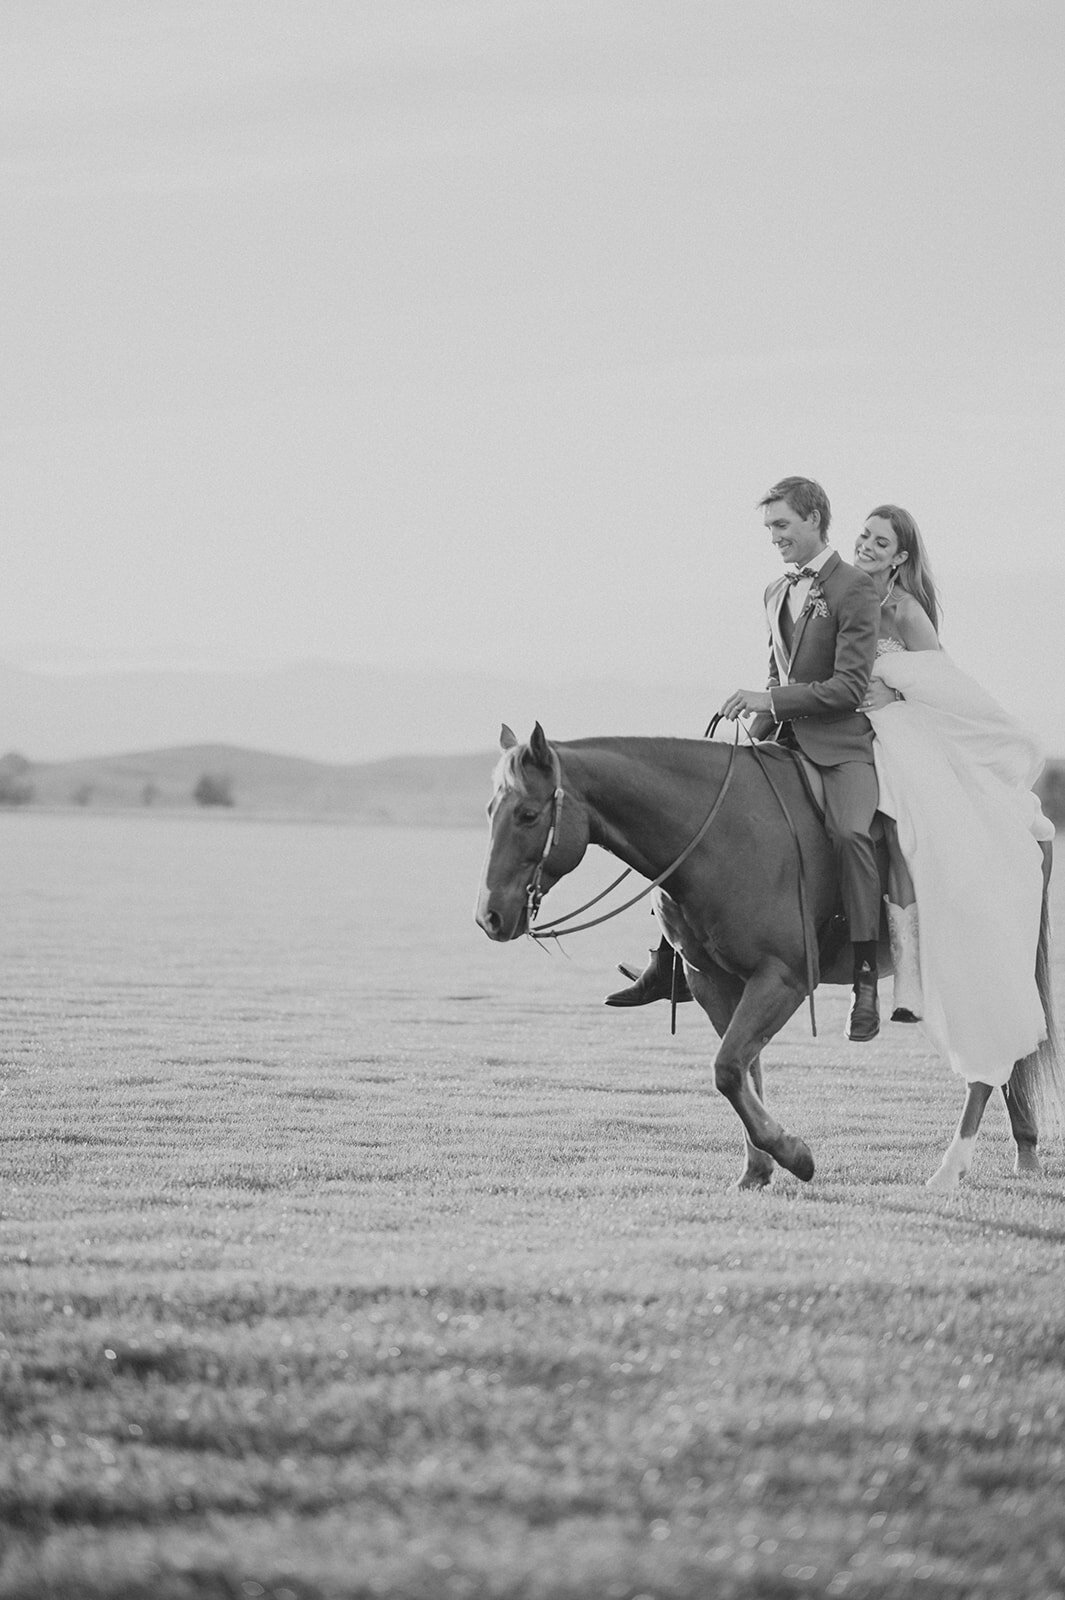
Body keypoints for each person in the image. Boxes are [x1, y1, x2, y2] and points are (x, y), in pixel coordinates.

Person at [607, 476, 884, 1041]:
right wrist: (745, 730)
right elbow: (773, 676)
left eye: (782, 526)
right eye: (769, 529)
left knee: (853, 835)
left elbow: (848, 689)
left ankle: (865, 978)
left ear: (813, 519)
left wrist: (770, 700)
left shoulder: (854, 588)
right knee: (696, 813)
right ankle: (670, 961)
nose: (774, 537)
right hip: (779, 742)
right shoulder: (773, 592)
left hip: (840, 749)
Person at [855, 504, 1054, 1086]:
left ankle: (906, 971)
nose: (867, 545)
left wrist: (894, 696)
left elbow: (945, 690)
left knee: (903, 825)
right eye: (864, 535)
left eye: (881, 541)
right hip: (844, 728)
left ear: (901, 557)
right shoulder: (840, 594)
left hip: (898, 731)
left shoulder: (904, 612)